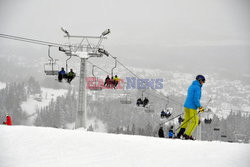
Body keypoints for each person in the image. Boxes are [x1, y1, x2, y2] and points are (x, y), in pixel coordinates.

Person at [176, 75, 205, 140]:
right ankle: (187, 135)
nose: (203, 83)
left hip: (186, 106)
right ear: (200, 80)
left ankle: (180, 134)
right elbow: (196, 99)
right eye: (203, 81)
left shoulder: (191, 86)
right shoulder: (197, 88)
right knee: (195, 121)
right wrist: (200, 107)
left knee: (186, 120)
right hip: (192, 107)